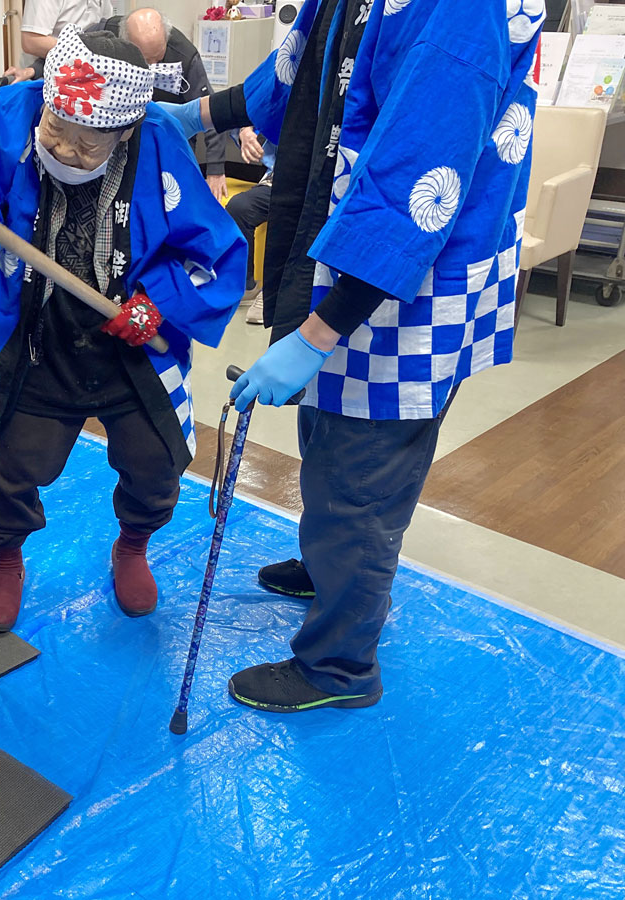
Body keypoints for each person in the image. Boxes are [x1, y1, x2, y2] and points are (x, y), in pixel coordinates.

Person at [160, 0, 542, 712]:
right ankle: (327, 568)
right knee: (327, 440)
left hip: (408, 286)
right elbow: (297, 71)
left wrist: (317, 335)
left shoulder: (462, 11)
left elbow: (419, 180)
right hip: (338, 252)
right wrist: (194, 116)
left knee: (362, 480)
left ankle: (338, 665)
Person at [0, 26, 246, 633]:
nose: (64, 151)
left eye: (88, 145)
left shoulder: (158, 138)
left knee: (156, 463)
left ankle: (132, 546)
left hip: (130, 338)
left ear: (125, 131)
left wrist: (157, 304)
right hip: (37, 332)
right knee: (15, 465)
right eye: (56, 130)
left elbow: (212, 248)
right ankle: (6, 560)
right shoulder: (10, 116)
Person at [2, 9, 233, 201]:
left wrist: (215, 169)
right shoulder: (103, 34)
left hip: (163, 130)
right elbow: (69, 60)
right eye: (146, 60)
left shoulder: (185, 54)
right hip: (109, 139)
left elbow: (205, 110)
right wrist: (33, 71)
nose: (152, 66)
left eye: (158, 58)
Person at [224, 126, 276, 323]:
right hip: (277, 178)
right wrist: (245, 131)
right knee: (239, 207)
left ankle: (273, 290)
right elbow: (244, 113)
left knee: (286, 211)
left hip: (321, 181)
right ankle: (246, 284)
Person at [19, 0, 114, 62]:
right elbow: (31, 41)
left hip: (85, 68)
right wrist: (84, 53)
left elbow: (105, 32)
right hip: (44, 72)